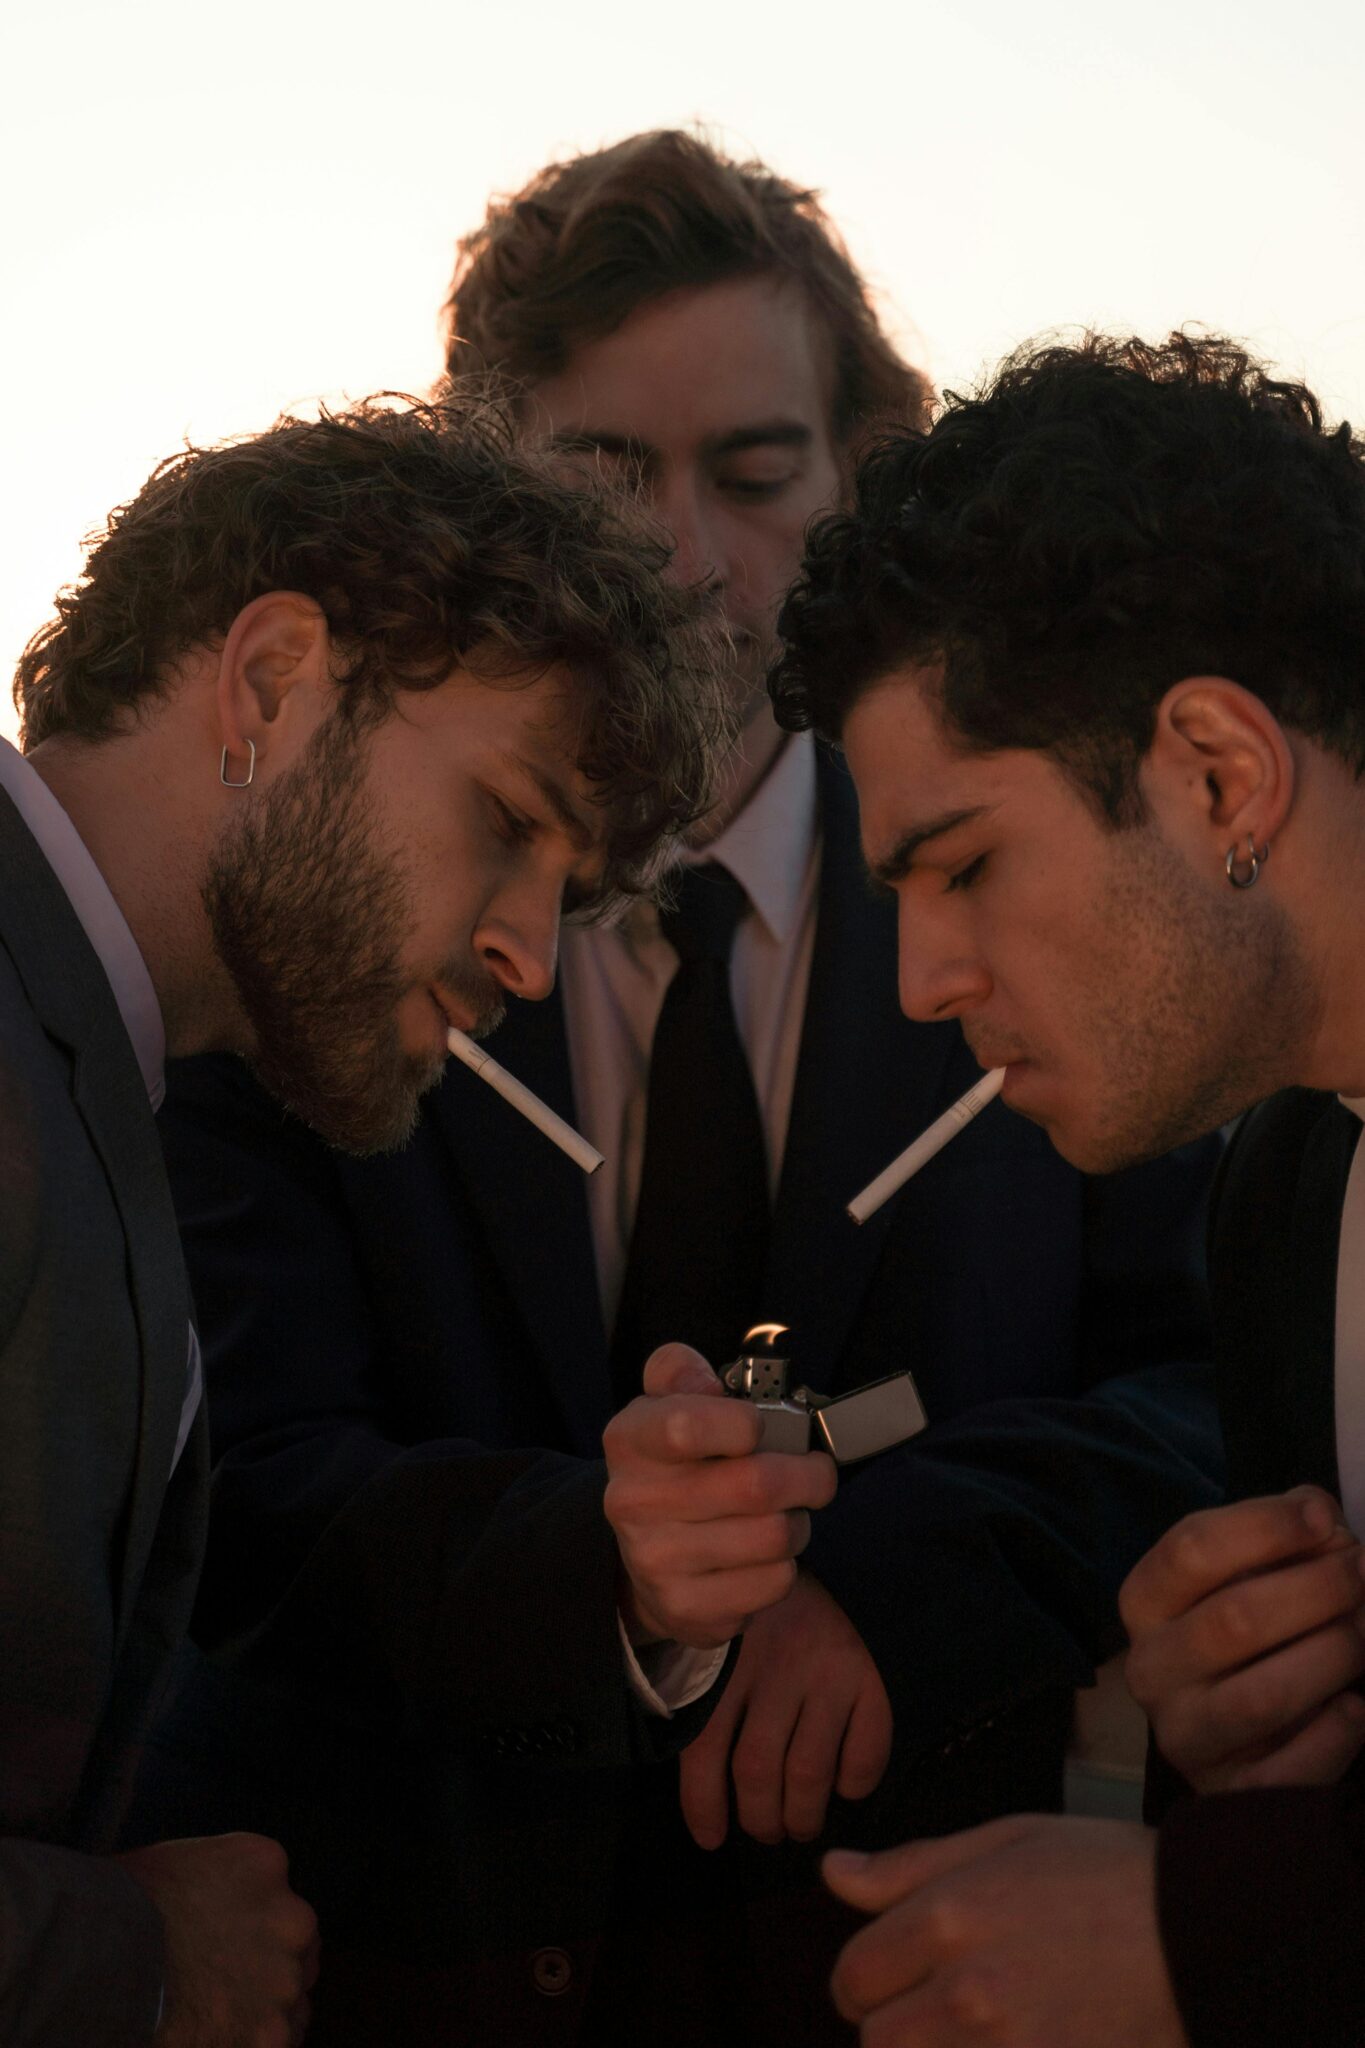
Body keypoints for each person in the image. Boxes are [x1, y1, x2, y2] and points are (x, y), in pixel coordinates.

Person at [145, 137, 1223, 2045]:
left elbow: (1204, 1379)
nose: (687, 562)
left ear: (858, 475)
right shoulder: (312, 923)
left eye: (753, 473)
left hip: (912, 1969)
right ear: (492, 488)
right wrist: (613, 1579)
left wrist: (898, 1582)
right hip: (421, 1976)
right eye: (604, 476)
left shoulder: (1064, 890)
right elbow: (238, 1474)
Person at [1, 387, 787, 2045]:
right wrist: (130, 1960)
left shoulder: (99, 1078)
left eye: (571, 897)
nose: (527, 959)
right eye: (507, 822)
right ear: (272, 680)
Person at [765, 327, 1365, 2046]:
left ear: (1218, 773)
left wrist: (1210, 1929)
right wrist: (1248, 1739)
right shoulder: (1283, 1190)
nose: (919, 982)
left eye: (962, 867)